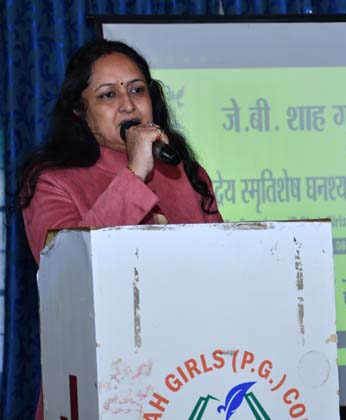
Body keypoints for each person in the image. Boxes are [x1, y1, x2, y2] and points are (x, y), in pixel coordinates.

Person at [18, 39, 223, 420]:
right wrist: (135, 173)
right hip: (99, 379)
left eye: (137, 90)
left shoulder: (186, 173)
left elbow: (223, 265)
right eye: (108, 95)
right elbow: (69, 270)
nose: (128, 104)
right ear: (80, 111)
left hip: (191, 372)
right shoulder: (50, 181)